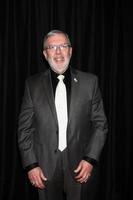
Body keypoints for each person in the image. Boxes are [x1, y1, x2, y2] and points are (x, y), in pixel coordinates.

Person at [18, 30, 108, 200]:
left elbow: (100, 124)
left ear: (70, 51)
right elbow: (24, 129)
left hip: (80, 164)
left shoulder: (90, 82)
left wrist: (90, 159)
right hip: (43, 167)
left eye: (63, 46)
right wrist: (31, 165)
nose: (58, 52)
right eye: (52, 47)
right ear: (45, 54)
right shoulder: (32, 85)